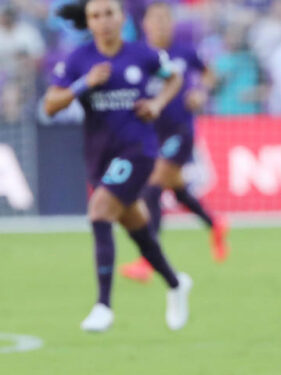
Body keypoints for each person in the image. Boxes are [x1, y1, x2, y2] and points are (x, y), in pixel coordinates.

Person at [43, 0, 192, 332]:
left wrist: (157, 103)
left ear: (121, 18)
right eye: (95, 15)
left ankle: (103, 306)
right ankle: (176, 283)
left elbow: (174, 79)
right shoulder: (80, 60)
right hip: (100, 156)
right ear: (89, 22)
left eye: (109, 13)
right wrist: (84, 84)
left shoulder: (143, 54)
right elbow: (50, 104)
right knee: (136, 225)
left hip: (139, 150)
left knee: (99, 212)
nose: (103, 20)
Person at [119, 0, 229, 283]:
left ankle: (147, 260)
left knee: (153, 188)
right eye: (154, 20)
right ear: (145, 25)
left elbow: (208, 73)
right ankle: (215, 224)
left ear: (172, 24)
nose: (160, 25)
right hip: (152, 133)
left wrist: (201, 92)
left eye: (165, 20)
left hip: (180, 131)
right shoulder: (140, 55)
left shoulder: (184, 51)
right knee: (177, 190)